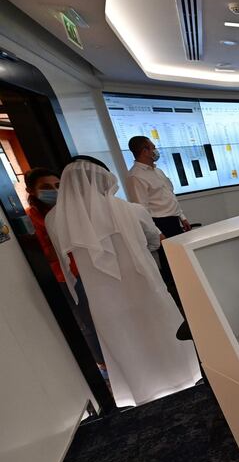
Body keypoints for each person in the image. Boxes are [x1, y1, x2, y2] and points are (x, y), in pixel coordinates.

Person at [46, 157, 201, 407]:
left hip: (104, 298)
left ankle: (142, 393)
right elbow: (154, 240)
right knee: (164, 334)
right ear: (105, 179)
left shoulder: (55, 219)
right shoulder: (132, 210)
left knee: (127, 344)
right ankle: (188, 378)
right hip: (147, 287)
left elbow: (67, 260)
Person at [25, 167, 106, 372]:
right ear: (31, 191)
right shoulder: (31, 219)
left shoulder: (69, 209)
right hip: (63, 277)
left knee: (103, 314)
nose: (53, 190)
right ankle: (103, 366)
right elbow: (46, 255)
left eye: (58, 186)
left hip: (87, 269)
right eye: (45, 187)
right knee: (87, 323)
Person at [125, 135, 190, 286]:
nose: (155, 151)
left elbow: (169, 195)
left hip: (174, 220)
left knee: (182, 261)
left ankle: (188, 287)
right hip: (160, 224)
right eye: (153, 147)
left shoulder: (157, 171)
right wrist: (157, 233)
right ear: (144, 150)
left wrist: (182, 217)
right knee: (170, 265)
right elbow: (142, 209)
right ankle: (179, 298)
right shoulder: (136, 176)